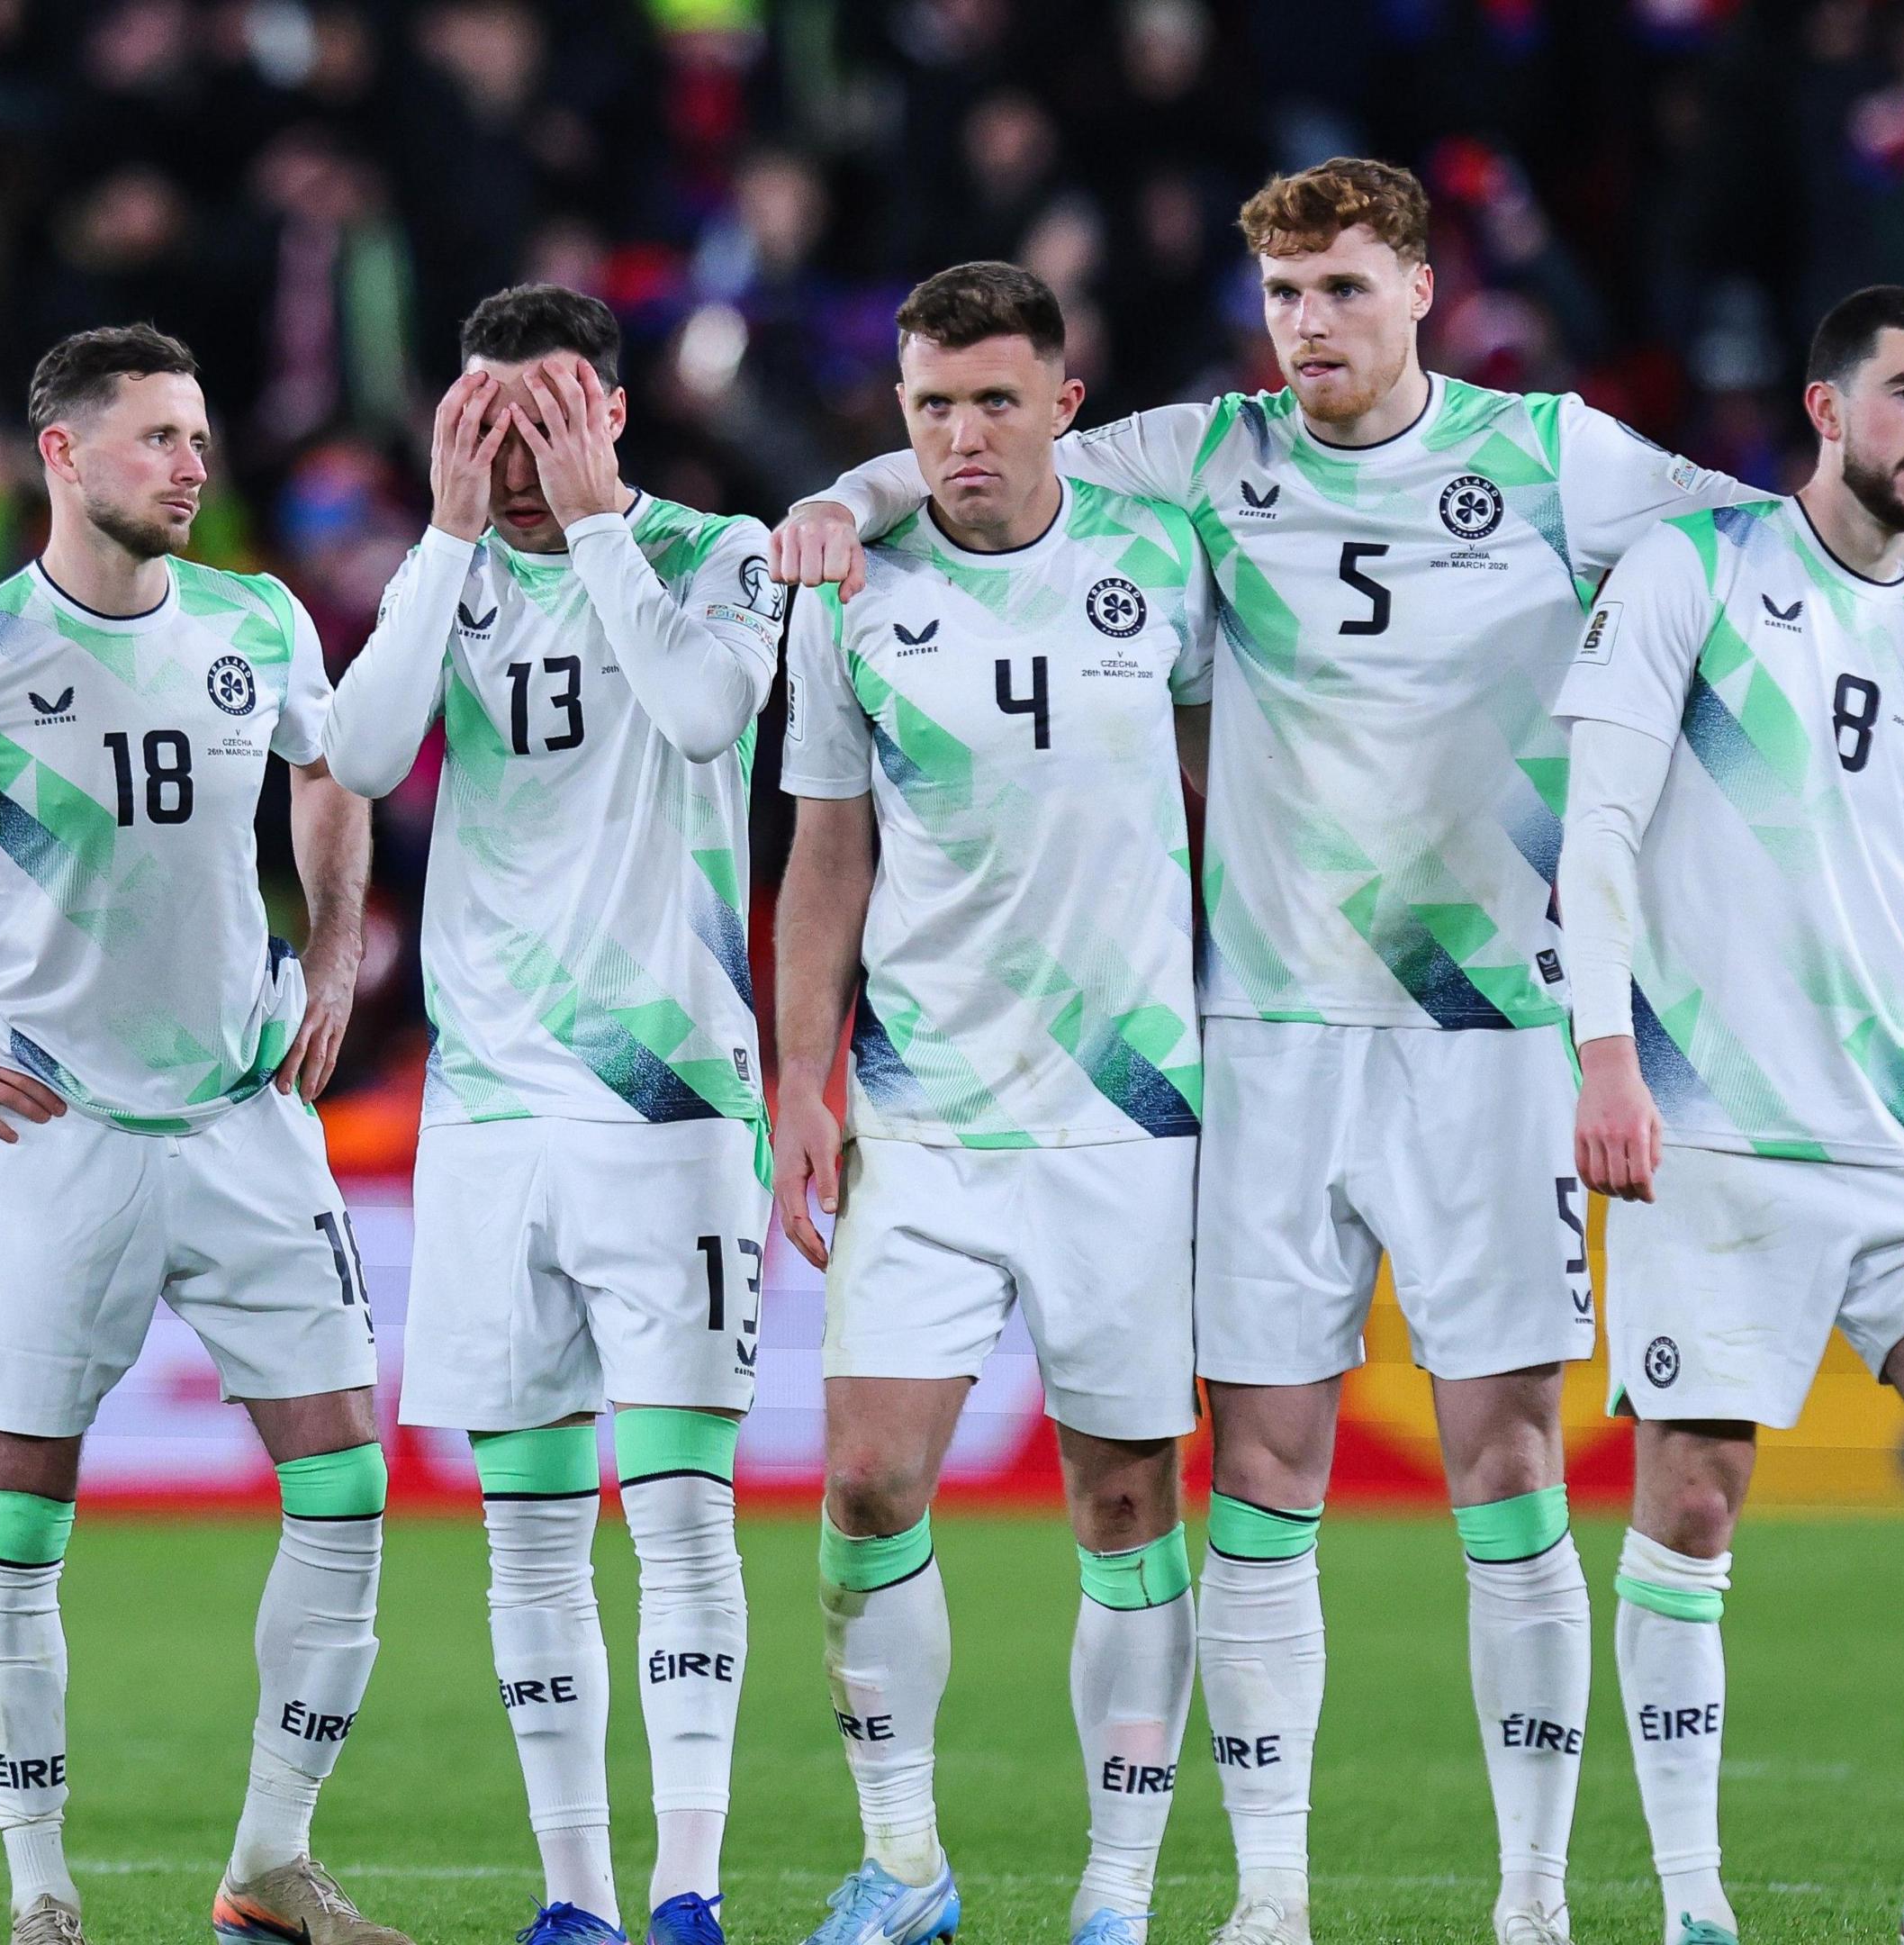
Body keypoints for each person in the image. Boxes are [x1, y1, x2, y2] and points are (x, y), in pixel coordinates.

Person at [770, 157, 1904, 1945]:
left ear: (1421, 289)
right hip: (1267, 1041)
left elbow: (1806, 523)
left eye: (1341, 290)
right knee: (1264, 1477)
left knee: (1503, 1469)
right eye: (1283, 298)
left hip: (1495, 1044)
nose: (1307, 329)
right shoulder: (1212, 458)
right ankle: (1268, 1903)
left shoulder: (1553, 459)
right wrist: (835, 502)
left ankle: (1538, 1902)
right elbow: (978, 454)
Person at [0, 324, 399, 1945]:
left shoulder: (256, 618)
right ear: (61, 455)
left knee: (345, 1484)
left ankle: (272, 1865)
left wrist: (331, 950)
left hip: (246, 1114)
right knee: (20, 1512)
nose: (192, 464)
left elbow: (330, 777)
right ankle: (41, 1893)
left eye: (198, 436)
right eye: (154, 440)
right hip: (63, 1132)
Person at [1561, 287, 1904, 1945]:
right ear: (1825, 409)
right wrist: (1604, 1055)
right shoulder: (1692, 575)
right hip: (1714, 1134)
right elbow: (1600, 826)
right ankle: (1697, 1908)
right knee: (1693, 1511)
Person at [323, 285, 774, 1945]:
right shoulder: (439, 581)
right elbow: (361, 757)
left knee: (675, 1516)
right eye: (483, 424)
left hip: (671, 1110)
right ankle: (577, 1897)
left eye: (546, 421)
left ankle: (688, 1888)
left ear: (610, 415)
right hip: (493, 1118)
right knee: (527, 1534)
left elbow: (708, 713)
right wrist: (442, 551)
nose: (515, 457)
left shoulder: (718, 558)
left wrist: (596, 537)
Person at [772, 262, 1214, 1945]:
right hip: (924, 1111)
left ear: (1065, 407)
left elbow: (1233, 780)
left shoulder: (1164, 561)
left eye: (995, 401)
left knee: (1122, 1498)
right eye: (931, 405)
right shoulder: (852, 593)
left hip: (1125, 1116)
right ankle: (903, 1867)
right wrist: (799, 1082)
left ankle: (1115, 1890)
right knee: (871, 1485)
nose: (962, 434)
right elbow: (824, 856)